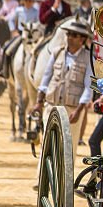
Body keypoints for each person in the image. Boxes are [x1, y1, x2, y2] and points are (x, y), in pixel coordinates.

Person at [32, 18, 92, 150]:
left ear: (82, 40)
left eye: (74, 35)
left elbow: (88, 87)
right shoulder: (56, 52)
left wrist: (79, 110)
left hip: (72, 108)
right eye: (68, 34)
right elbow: (46, 79)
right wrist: (39, 102)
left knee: (69, 149)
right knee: (46, 147)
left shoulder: (88, 58)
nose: (69, 37)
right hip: (52, 105)